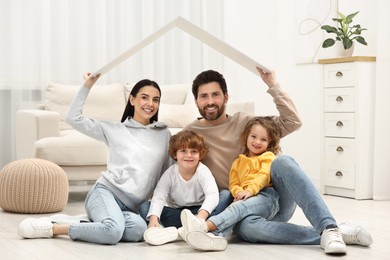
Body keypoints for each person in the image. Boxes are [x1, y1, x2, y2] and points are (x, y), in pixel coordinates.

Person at [183, 68, 373, 254]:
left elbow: (292, 122)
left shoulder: (244, 122)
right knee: (245, 230)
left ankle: (328, 226)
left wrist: (272, 84)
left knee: (282, 162)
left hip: (271, 199)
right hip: (240, 208)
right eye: (204, 96)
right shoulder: (190, 134)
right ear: (196, 101)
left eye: (215, 95)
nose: (210, 101)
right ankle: (334, 233)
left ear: (226, 97)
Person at [17, 73, 172, 245]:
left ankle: (88, 222)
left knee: (138, 231)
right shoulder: (114, 129)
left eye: (155, 99)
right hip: (105, 192)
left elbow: (168, 176)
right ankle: (55, 228)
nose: (150, 104)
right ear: (132, 100)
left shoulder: (164, 135)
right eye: (144, 98)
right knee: (113, 232)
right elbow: (73, 118)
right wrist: (88, 85)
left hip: (132, 207)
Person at [181, 116, 282, 251]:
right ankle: (214, 238)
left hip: (266, 197)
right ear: (246, 136)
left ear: (269, 143)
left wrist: (249, 191)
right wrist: (238, 192)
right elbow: (233, 183)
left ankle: (201, 226)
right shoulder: (238, 162)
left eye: (263, 139)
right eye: (253, 136)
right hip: (245, 198)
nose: (257, 142)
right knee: (233, 210)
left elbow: (263, 177)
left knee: (237, 208)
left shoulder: (268, 157)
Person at [141, 130, 219, 246]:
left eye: (194, 151)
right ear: (175, 154)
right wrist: (153, 219)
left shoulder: (203, 171)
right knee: (144, 206)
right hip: (178, 213)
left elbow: (212, 194)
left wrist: (200, 218)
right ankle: (170, 231)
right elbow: (159, 195)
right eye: (183, 151)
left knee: (225, 196)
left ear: (200, 154)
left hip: (199, 213)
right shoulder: (170, 173)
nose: (189, 155)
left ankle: (193, 229)